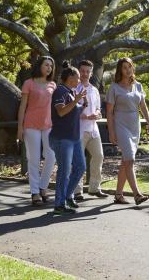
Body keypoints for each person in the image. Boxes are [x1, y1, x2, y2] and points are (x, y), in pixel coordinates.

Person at [106, 57, 149, 205]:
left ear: (133, 68)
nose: (127, 70)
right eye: (124, 67)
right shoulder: (114, 87)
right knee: (130, 159)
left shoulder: (138, 86)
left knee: (125, 161)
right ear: (120, 70)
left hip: (135, 124)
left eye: (130, 67)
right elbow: (109, 112)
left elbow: (143, 106)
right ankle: (137, 194)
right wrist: (112, 132)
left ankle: (118, 194)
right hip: (121, 124)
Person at [17, 56, 56, 206]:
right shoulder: (29, 83)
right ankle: (35, 192)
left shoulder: (53, 84)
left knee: (51, 156)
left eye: (51, 66)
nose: (49, 68)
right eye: (46, 65)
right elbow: (22, 107)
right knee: (33, 159)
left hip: (48, 125)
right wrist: (20, 128)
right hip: (31, 125)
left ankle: (43, 187)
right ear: (39, 65)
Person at [49, 62, 87, 215]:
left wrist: (83, 105)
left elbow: (73, 113)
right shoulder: (60, 91)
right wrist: (76, 101)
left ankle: (67, 196)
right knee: (64, 170)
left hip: (74, 138)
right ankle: (59, 204)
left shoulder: (71, 92)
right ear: (70, 77)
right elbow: (61, 112)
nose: (79, 80)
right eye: (77, 78)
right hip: (61, 138)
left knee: (80, 167)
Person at [73, 60, 108, 200]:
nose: (85, 74)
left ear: (91, 73)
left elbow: (98, 108)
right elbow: (72, 111)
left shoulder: (94, 90)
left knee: (99, 156)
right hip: (79, 130)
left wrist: (98, 113)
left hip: (94, 130)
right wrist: (87, 116)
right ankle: (77, 190)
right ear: (78, 71)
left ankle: (94, 188)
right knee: (78, 160)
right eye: (82, 71)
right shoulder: (74, 89)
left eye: (88, 71)